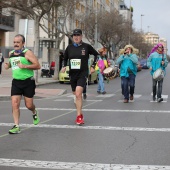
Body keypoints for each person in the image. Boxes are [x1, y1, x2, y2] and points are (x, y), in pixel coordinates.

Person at [4, 34, 41, 134]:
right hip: (16, 82)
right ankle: (16, 126)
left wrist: (25, 66)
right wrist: (8, 65)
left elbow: (38, 65)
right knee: (15, 104)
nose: (15, 44)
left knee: (28, 105)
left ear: (23, 43)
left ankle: (34, 111)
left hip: (28, 82)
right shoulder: (11, 53)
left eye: (18, 42)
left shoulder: (27, 53)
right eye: (14, 42)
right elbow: (12, 64)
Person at [61, 28, 98, 125]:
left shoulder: (86, 47)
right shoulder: (69, 48)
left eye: (78, 35)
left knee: (78, 94)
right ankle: (80, 113)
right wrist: (64, 66)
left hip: (83, 73)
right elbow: (65, 58)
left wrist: (93, 66)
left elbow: (96, 55)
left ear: (81, 36)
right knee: (76, 95)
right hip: (73, 74)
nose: (76, 37)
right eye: (74, 36)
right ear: (73, 37)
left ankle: (78, 117)